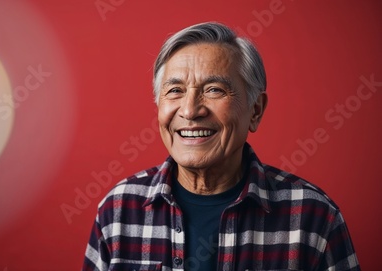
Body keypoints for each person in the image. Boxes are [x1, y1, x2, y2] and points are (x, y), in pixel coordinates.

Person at [82, 22, 360, 271]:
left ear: (255, 110)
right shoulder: (118, 210)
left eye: (214, 90)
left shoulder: (313, 217)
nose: (190, 111)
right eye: (175, 91)